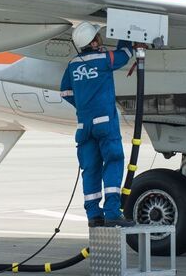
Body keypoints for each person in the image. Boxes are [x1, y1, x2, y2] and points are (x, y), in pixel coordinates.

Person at [60, 22, 136, 228]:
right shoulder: (105, 59)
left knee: (90, 168)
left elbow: (65, 92)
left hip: (84, 126)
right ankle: (112, 212)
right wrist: (126, 30)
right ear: (93, 41)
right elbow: (125, 52)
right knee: (113, 161)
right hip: (105, 123)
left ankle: (94, 215)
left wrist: (84, 106)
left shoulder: (73, 65)